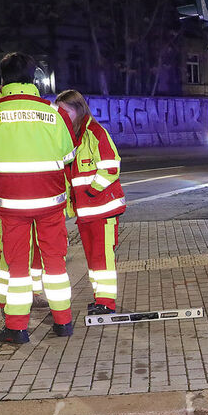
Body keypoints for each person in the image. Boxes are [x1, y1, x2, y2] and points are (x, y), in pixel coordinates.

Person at [0, 52, 78, 344]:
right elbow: (68, 155)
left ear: (2, 78)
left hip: (11, 204)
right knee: (55, 263)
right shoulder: (55, 114)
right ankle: (63, 322)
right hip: (50, 201)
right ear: (35, 79)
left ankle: (16, 328)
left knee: (17, 266)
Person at [56, 89, 127, 315]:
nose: (61, 115)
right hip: (86, 212)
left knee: (102, 259)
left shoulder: (95, 132)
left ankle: (106, 303)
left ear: (78, 109)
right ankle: (100, 299)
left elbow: (111, 167)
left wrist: (91, 193)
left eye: (65, 111)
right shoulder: (70, 138)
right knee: (93, 259)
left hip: (102, 210)